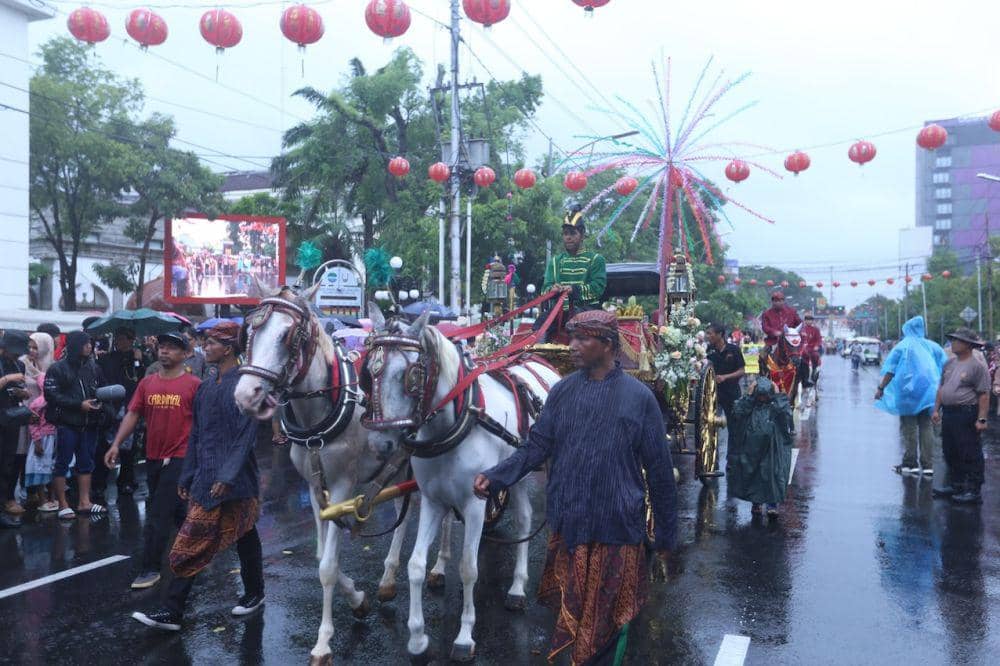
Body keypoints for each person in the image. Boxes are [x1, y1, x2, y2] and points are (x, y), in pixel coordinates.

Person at [474, 310, 677, 665]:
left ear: (608, 345)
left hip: (617, 529)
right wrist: (495, 477)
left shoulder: (639, 398)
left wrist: (666, 536)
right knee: (574, 618)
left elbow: (659, 471)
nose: (573, 346)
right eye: (573, 337)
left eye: (583, 338)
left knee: (605, 626)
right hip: (571, 525)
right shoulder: (563, 392)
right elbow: (536, 446)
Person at [132, 322, 263, 631]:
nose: (205, 347)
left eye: (211, 343)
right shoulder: (205, 386)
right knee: (196, 537)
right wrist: (187, 475)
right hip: (205, 478)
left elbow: (246, 437)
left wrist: (228, 475)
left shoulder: (246, 384)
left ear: (229, 348)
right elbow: (196, 435)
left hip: (237, 480)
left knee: (243, 534)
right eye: (205, 342)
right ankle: (173, 611)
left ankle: (252, 593)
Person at [106, 332, 201, 590]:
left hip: (180, 457)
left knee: (158, 513)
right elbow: (133, 414)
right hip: (153, 457)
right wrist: (115, 444)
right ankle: (194, 555)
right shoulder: (147, 384)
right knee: (181, 512)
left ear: (185, 354)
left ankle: (150, 568)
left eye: (172, 348)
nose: (165, 351)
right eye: (163, 347)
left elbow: (204, 424)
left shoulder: (194, 385)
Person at [44, 330, 111, 519]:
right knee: (62, 463)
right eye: (86, 343)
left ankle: (84, 502)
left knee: (86, 462)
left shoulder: (93, 367)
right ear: (75, 345)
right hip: (67, 423)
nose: (90, 346)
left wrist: (101, 402)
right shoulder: (57, 368)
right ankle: (62, 504)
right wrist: (78, 405)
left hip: (89, 423)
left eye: (91, 343)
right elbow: (51, 395)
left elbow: (101, 389)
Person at [874, 316, 947, 476]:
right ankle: (928, 466)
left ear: (906, 329)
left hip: (907, 395)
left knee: (909, 428)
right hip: (929, 395)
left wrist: (881, 388)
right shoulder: (933, 346)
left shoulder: (902, 346)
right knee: (927, 427)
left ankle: (910, 463)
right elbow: (945, 367)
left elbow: (891, 370)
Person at [932, 328, 990, 505]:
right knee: (950, 450)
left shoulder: (977, 366)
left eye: (957, 340)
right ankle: (956, 485)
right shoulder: (949, 364)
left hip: (966, 413)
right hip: (949, 413)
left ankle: (973, 490)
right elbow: (942, 388)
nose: (953, 343)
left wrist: (981, 419)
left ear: (968, 345)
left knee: (969, 451)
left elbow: (984, 395)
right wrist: (936, 409)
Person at [726, 377, 794, 517]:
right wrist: (749, 395)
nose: (763, 398)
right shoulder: (751, 406)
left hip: (772, 449)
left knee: (772, 475)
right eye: (760, 395)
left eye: (765, 395)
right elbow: (738, 411)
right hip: (752, 448)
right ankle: (756, 503)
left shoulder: (775, 406)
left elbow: (786, 413)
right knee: (753, 474)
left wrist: (778, 394)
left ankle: (772, 504)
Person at [538, 208, 608, 340]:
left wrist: (573, 290)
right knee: (539, 327)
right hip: (558, 313)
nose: (568, 237)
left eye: (572, 233)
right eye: (565, 233)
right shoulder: (555, 261)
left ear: (582, 235)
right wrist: (552, 290)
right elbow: (544, 289)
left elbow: (597, 288)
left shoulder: (596, 259)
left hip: (587, 311)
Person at [95, 327, 147, 500]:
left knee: (128, 448)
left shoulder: (139, 358)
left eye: (125, 338)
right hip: (110, 406)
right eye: (118, 338)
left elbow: (141, 380)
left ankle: (126, 480)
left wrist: (138, 361)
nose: (121, 342)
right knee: (105, 444)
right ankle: (99, 483)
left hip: (131, 405)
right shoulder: (106, 359)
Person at [0, 331, 31, 526]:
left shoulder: (19, 365)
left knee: (6, 465)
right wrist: (8, 379)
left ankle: (2, 506)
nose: (16, 355)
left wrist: (22, 392)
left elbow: (22, 394)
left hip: (10, 419)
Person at [706, 323, 745, 470]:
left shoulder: (734, 350)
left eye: (710, 333)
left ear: (720, 334)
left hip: (732, 393)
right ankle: (711, 457)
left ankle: (732, 459)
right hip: (713, 394)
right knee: (710, 425)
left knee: (733, 428)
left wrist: (726, 377)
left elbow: (742, 371)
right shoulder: (709, 351)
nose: (708, 336)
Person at [758, 291, 802, 372]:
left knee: (803, 357)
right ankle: (763, 378)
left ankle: (803, 380)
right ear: (772, 302)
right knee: (762, 356)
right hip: (773, 342)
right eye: (776, 301)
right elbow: (765, 327)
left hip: (790, 342)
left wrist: (793, 332)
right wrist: (775, 332)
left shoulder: (792, 312)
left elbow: (799, 323)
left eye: (780, 300)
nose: (778, 303)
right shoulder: (766, 314)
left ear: (783, 301)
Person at [799, 313, 823, 386]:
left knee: (815, 356)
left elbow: (819, 339)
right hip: (801, 349)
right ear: (805, 321)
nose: (809, 321)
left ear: (812, 321)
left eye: (810, 320)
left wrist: (816, 346)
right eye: (807, 320)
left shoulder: (816, 329)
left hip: (811, 349)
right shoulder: (801, 329)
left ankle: (814, 370)